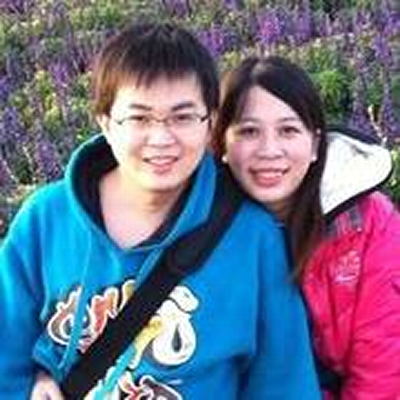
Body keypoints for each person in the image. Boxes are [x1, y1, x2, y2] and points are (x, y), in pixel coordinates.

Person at [0, 24, 321, 399]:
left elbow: (284, 383)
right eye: (139, 118)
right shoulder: (45, 219)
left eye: (182, 117)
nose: (162, 139)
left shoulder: (253, 238)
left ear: (210, 123)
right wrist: (33, 380)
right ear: (106, 122)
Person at [213, 55, 400, 399]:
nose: (270, 151)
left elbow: (383, 366)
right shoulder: (199, 227)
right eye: (249, 131)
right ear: (221, 143)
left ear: (315, 144)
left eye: (288, 130)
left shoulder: (369, 223)